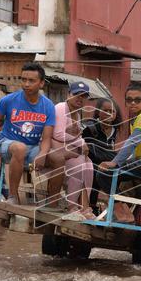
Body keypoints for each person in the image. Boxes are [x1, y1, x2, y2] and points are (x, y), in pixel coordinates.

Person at [0, 62, 55, 205]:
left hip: (32, 148)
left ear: (41, 83)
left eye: (31, 81)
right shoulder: (9, 100)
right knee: (20, 148)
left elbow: (47, 138)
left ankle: (53, 203)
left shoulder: (48, 106)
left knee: (58, 158)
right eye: (23, 80)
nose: (26, 84)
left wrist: (43, 154)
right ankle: (12, 196)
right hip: (7, 145)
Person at [94, 84, 141, 223]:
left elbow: (132, 142)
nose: (133, 103)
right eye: (129, 100)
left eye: (137, 100)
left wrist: (115, 162)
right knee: (108, 174)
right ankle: (120, 210)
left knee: (104, 174)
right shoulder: (136, 118)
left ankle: (123, 213)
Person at [51, 82, 94, 219]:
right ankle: (72, 207)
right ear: (68, 94)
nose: (80, 98)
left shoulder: (77, 114)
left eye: (83, 96)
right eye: (76, 94)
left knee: (89, 165)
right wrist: (81, 142)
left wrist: (81, 144)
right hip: (54, 149)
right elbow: (58, 134)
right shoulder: (61, 108)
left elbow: (75, 136)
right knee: (79, 165)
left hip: (68, 149)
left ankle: (84, 207)